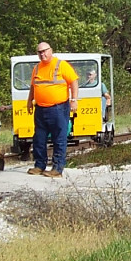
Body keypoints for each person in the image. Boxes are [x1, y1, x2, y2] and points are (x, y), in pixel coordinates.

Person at [25, 42, 78, 178]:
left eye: (44, 51)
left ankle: (57, 169)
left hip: (58, 108)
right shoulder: (36, 69)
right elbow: (33, 86)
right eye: (40, 52)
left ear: (50, 50)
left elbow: (73, 82)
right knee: (39, 138)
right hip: (40, 108)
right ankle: (39, 165)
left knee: (59, 138)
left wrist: (74, 100)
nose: (42, 54)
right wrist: (29, 101)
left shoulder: (61, 65)